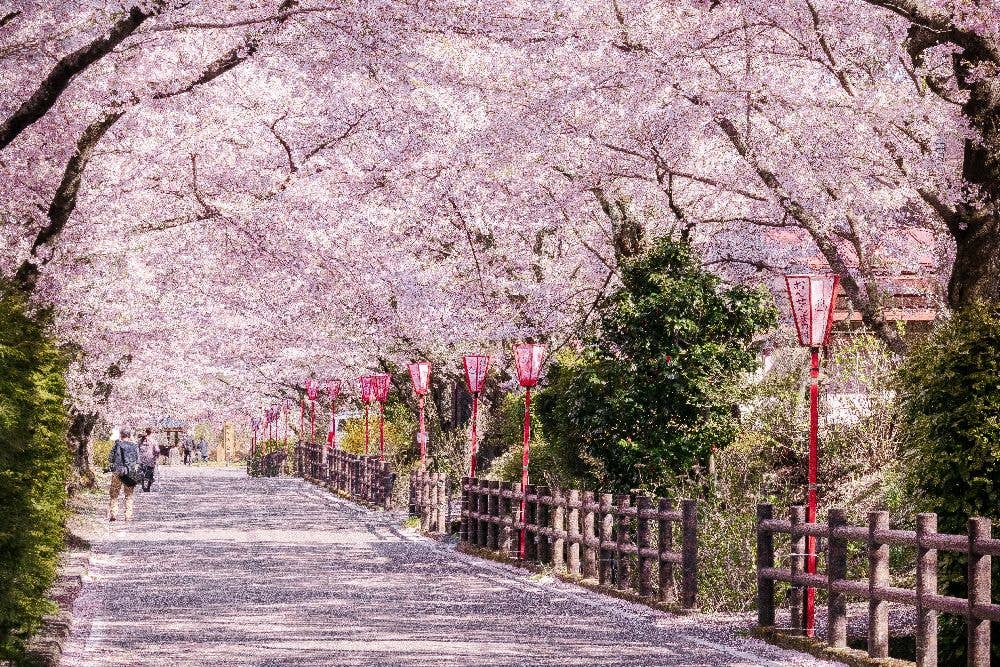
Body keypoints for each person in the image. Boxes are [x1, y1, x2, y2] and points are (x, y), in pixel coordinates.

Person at [108, 429, 141, 521]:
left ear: (121, 435)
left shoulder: (117, 445)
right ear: (129, 435)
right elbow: (138, 461)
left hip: (117, 471)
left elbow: (110, 458)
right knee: (129, 495)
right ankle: (128, 515)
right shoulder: (134, 446)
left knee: (114, 494)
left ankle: (113, 513)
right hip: (129, 472)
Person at [138, 428, 158, 492]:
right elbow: (157, 450)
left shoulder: (141, 440)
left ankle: (143, 486)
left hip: (142, 459)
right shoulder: (153, 441)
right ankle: (148, 487)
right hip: (150, 459)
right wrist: (156, 456)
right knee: (150, 473)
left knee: (142, 472)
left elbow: (137, 448)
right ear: (151, 433)